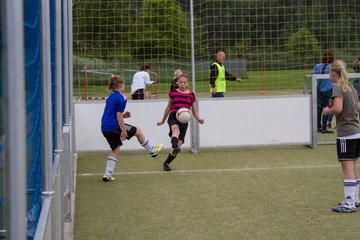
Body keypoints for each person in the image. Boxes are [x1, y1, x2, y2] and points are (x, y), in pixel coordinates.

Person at [101, 75, 163, 181]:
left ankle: (107, 175)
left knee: (115, 150)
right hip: (113, 126)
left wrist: (124, 115)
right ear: (121, 85)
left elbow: (113, 114)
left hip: (104, 127)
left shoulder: (111, 96)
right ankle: (152, 151)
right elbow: (118, 116)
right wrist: (123, 131)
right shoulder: (122, 98)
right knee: (138, 131)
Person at [322, 59, 360, 213]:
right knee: (353, 167)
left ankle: (349, 203)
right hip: (357, 132)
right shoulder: (351, 87)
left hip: (346, 134)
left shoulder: (337, 88)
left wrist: (327, 111)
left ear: (332, 73)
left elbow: (337, 108)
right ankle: (355, 198)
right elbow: (358, 107)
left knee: (347, 169)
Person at [157, 74, 204, 171]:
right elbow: (168, 108)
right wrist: (162, 120)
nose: (182, 84)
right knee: (175, 130)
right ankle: (174, 144)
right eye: (180, 82)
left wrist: (199, 119)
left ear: (187, 84)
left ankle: (166, 163)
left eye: (184, 82)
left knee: (178, 145)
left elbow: (194, 111)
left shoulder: (191, 95)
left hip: (185, 120)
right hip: (174, 116)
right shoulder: (173, 93)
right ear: (177, 82)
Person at [312, 50, 335, 133]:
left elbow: (313, 76)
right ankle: (324, 128)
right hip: (329, 91)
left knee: (318, 110)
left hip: (318, 91)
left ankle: (318, 127)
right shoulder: (333, 67)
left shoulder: (317, 66)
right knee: (327, 109)